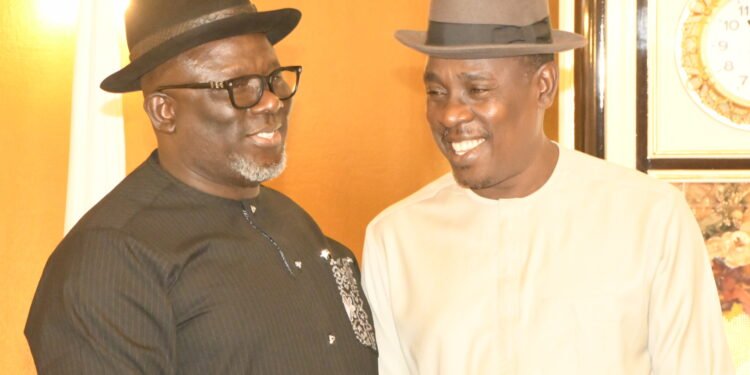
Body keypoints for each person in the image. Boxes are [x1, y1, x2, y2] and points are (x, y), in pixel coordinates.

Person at [361, 0, 735, 374]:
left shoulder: (651, 219)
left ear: (544, 86)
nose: (450, 115)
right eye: (436, 93)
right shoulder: (395, 240)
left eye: (476, 89)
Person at [25, 0, 378, 373]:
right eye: (239, 86)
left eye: (274, 79)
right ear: (165, 111)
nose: (272, 102)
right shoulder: (112, 256)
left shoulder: (293, 221)